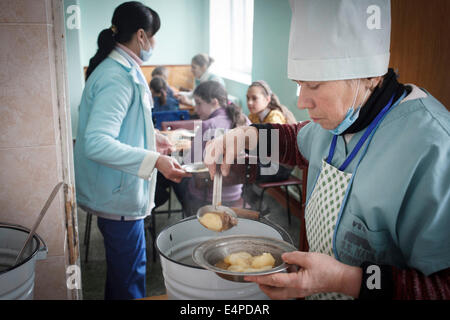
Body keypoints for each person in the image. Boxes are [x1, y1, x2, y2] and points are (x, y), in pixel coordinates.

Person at [204, 0, 450, 300]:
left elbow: (442, 288)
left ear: (370, 77)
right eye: (299, 84)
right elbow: (297, 141)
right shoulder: (337, 119)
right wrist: (248, 135)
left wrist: (346, 280)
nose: (302, 101)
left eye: (315, 85)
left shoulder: (435, 147)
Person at [74, 1, 189, 300]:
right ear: (141, 36)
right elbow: (97, 142)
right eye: (154, 36)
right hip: (118, 196)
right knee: (128, 280)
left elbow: (124, 124)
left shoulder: (121, 68)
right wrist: (155, 160)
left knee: (122, 275)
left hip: (118, 192)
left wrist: (153, 138)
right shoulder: (117, 76)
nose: (154, 43)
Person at [177, 80, 249, 216]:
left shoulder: (208, 124)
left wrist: (182, 153)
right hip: (235, 192)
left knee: (176, 180)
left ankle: (189, 216)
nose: (196, 109)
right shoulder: (244, 120)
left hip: (206, 196)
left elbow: (189, 163)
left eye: (199, 103)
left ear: (215, 102)